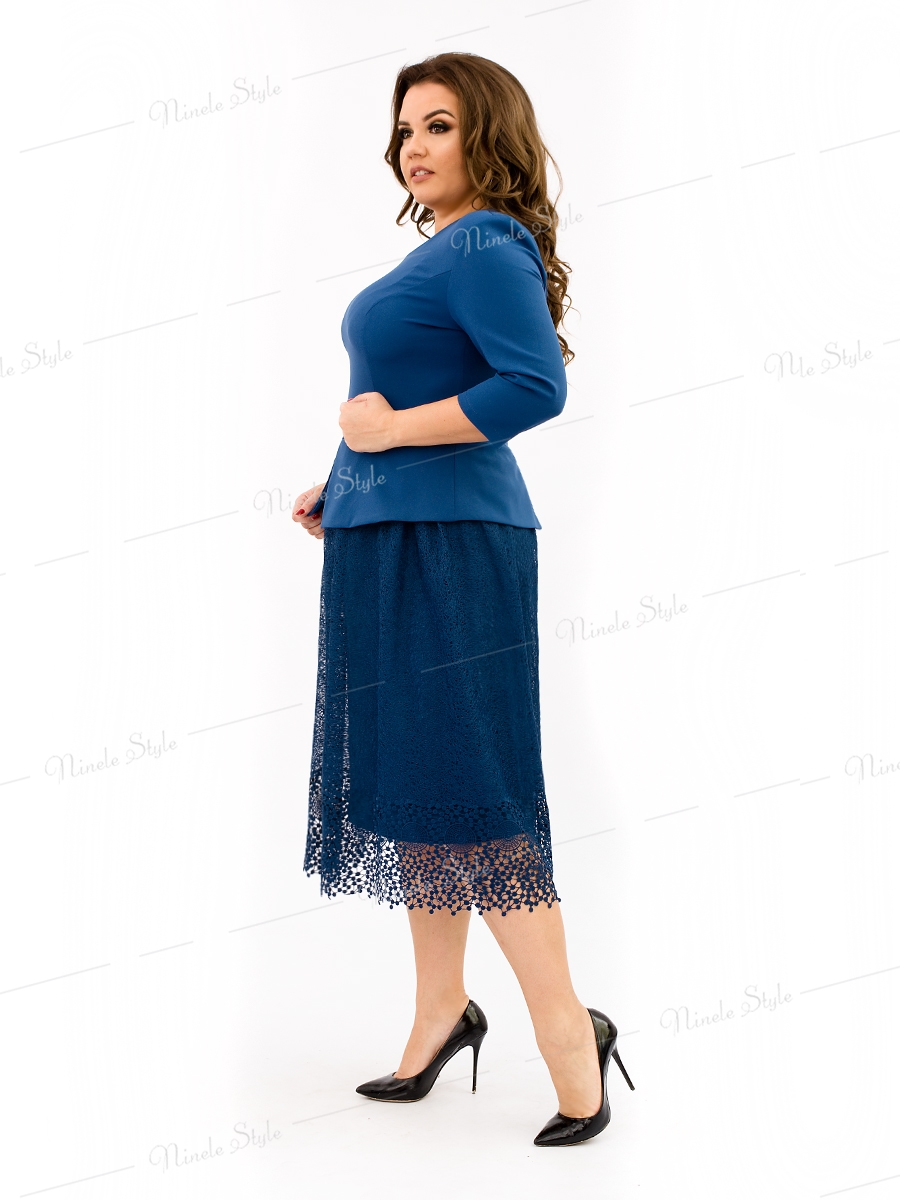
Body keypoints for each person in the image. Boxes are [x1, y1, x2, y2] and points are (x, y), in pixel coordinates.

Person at [292, 51, 634, 1147]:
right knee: (418, 784)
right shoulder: (440, 250)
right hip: (388, 534)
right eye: (406, 128)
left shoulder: (487, 241)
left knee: (474, 792)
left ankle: (570, 1035)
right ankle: (443, 1010)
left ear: (487, 133)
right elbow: (413, 398)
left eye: (438, 124)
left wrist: (389, 435)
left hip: (454, 546)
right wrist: (349, 482)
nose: (414, 146)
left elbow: (534, 385)